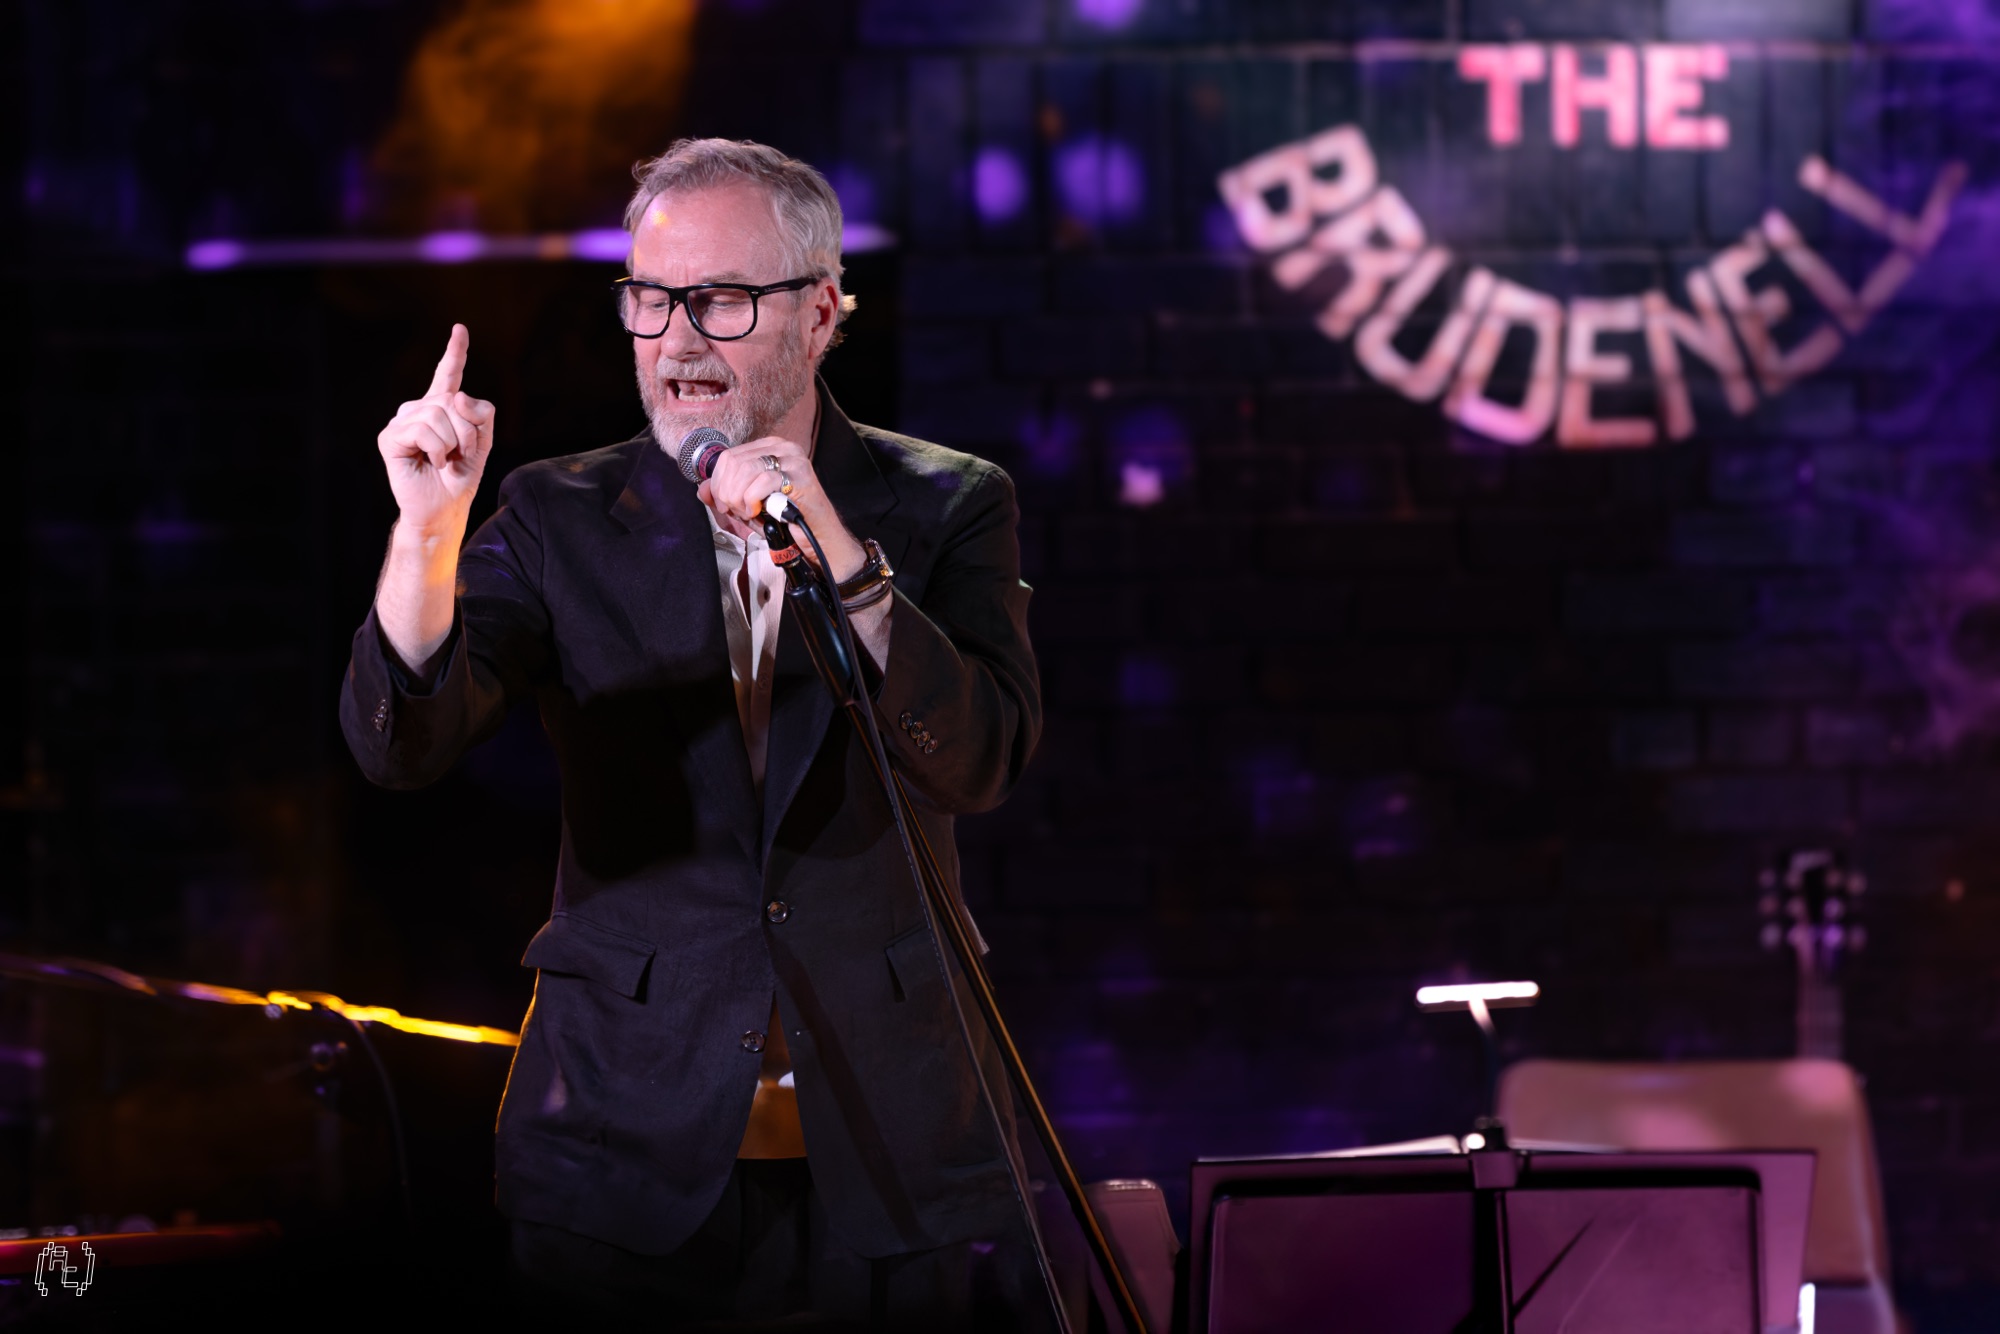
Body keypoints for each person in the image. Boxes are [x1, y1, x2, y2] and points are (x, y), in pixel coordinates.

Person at [340, 138, 1043, 1327]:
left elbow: (979, 759)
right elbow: (401, 742)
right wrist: (426, 535)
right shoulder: (560, 513)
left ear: (819, 313)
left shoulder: (947, 502)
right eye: (650, 299)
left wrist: (845, 563)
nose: (675, 341)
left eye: (719, 299)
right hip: (623, 1155)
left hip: (887, 1151)